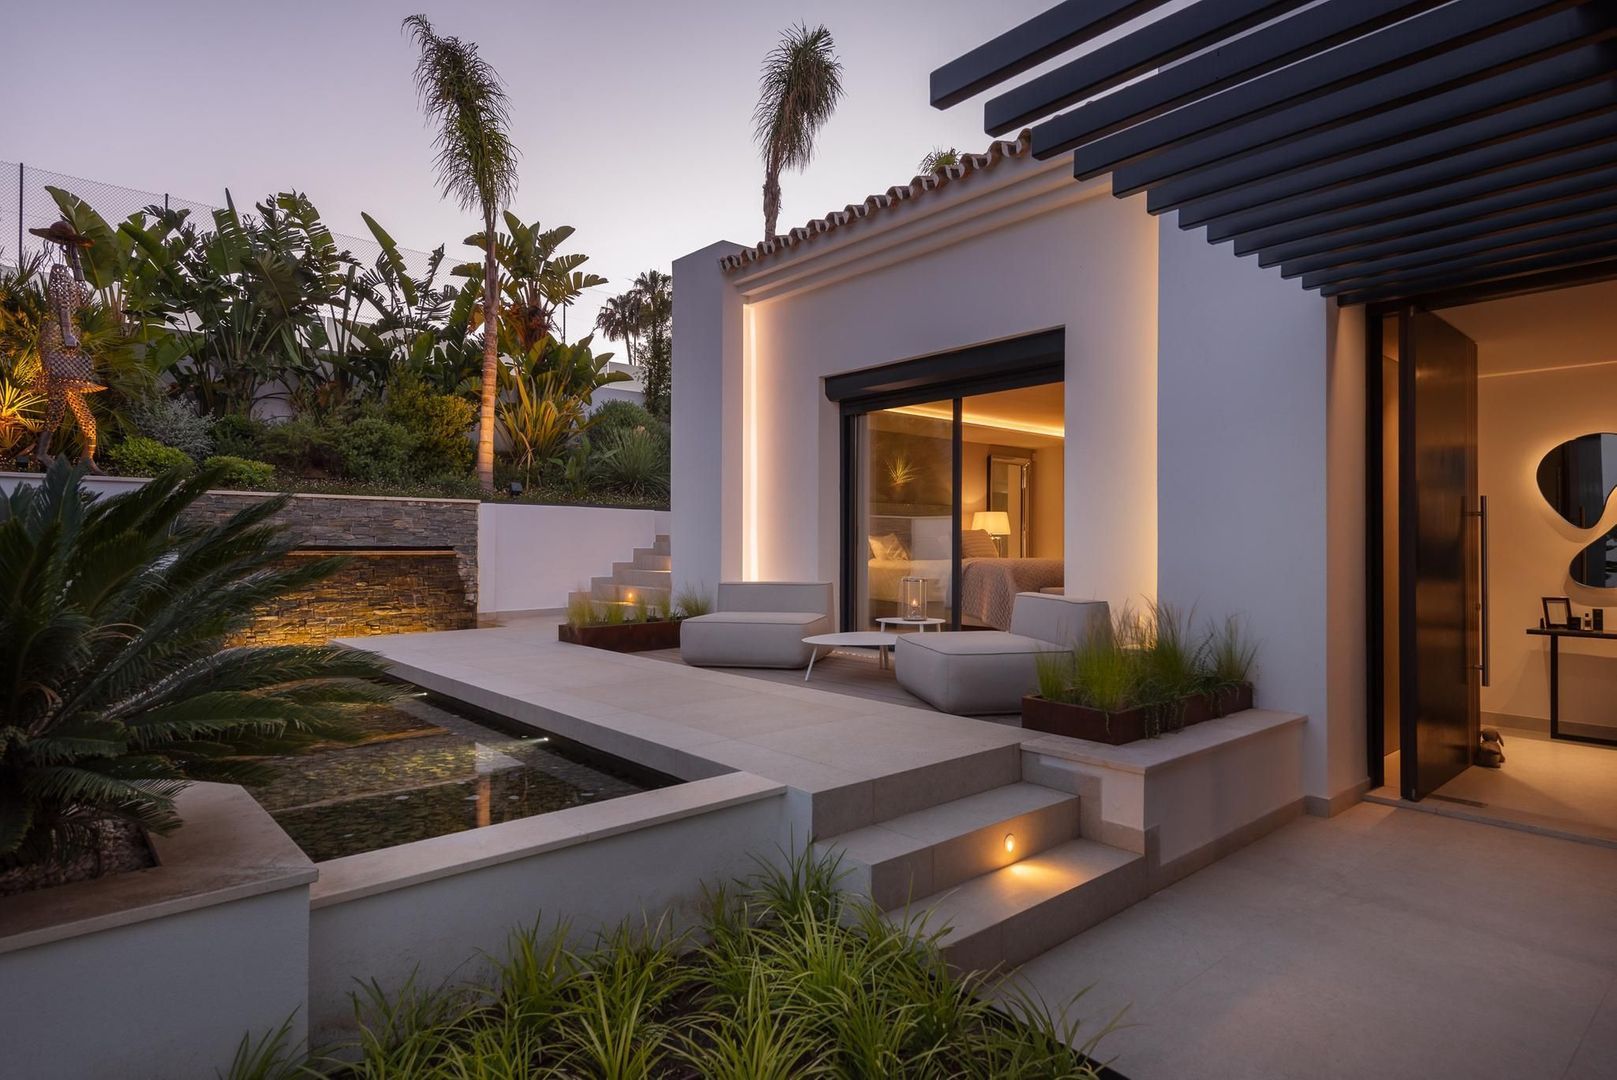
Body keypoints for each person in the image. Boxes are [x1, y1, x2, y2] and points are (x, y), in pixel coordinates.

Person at [29, 219, 105, 471]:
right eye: (65, 243)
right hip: (58, 339)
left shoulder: (70, 276)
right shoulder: (58, 273)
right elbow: (62, 307)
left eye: (69, 244)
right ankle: (43, 454)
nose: (66, 247)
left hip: (68, 341)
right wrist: (68, 334)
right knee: (59, 401)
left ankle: (85, 456)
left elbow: (84, 299)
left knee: (76, 408)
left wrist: (76, 257)